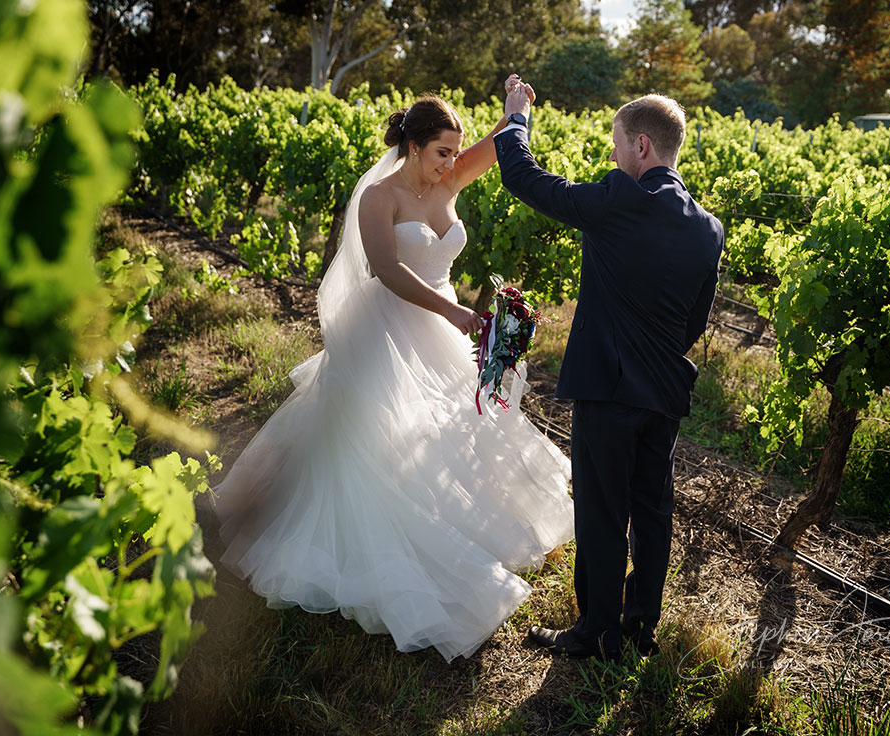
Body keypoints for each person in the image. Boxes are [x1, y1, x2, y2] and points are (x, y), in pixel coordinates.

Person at [212, 81, 574, 662]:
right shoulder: (379, 197)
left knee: (449, 429)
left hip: (440, 324)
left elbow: (503, 144)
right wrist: (457, 313)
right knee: (373, 439)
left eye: (455, 153)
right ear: (413, 146)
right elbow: (385, 270)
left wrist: (518, 108)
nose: (452, 164)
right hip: (389, 324)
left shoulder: (450, 180)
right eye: (441, 153)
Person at [494, 83, 724, 660]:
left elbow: (525, 180)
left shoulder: (619, 196)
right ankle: (642, 625)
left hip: (608, 388)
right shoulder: (707, 228)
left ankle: (596, 631)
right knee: (652, 509)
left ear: (641, 146)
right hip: (664, 391)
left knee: (601, 511)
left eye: (617, 143)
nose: (613, 154)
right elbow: (694, 319)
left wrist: (516, 120)